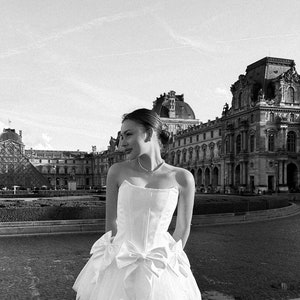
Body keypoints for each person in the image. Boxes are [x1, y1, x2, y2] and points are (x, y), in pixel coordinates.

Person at [73, 108, 201, 299]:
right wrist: (114, 260)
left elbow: (182, 229)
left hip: (161, 264)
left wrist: (168, 261)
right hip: (121, 262)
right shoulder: (116, 171)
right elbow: (111, 225)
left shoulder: (183, 178)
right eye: (120, 136)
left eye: (128, 135)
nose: (121, 143)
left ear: (149, 133)